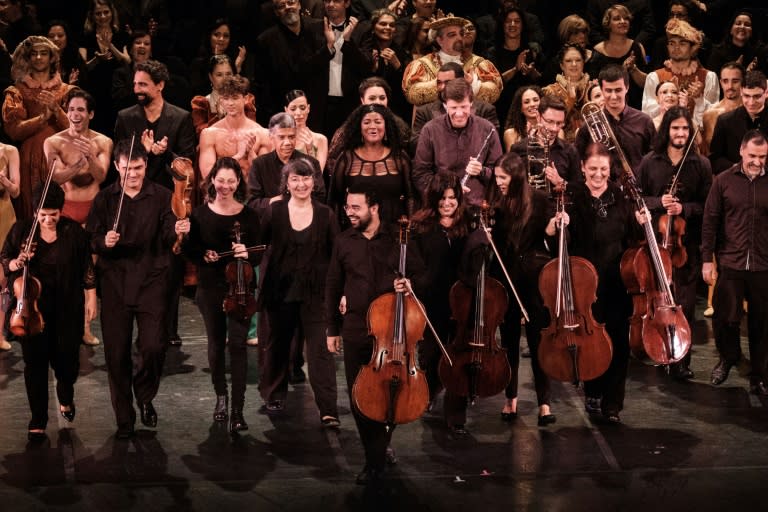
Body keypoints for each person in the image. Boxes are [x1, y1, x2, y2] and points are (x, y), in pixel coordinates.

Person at [325, 182, 426, 485]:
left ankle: (378, 451)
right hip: (356, 327)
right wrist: (332, 329)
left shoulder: (399, 239)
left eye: (356, 208)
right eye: (347, 207)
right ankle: (375, 459)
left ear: (374, 208)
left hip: (392, 332)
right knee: (360, 397)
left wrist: (408, 283)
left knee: (390, 394)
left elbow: (421, 274)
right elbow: (332, 284)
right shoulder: (344, 241)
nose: (350, 213)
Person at [86, 140, 177, 439]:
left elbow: (167, 237)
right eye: (126, 169)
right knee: (116, 354)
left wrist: (177, 231)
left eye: (138, 168)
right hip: (115, 282)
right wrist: (104, 243)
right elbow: (93, 238)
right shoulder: (104, 199)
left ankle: (145, 395)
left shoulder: (162, 196)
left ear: (145, 167)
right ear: (116, 166)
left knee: (153, 346)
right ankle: (124, 419)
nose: (132, 174)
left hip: (152, 280)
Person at [1, 182, 96, 441]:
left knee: (67, 363)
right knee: (35, 365)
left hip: (67, 307)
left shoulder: (73, 232)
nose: (47, 219)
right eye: (42, 215)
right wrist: (17, 262)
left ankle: (66, 395)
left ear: (60, 210)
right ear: (35, 212)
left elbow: (87, 265)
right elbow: (6, 260)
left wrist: (91, 297)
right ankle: (38, 419)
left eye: (52, 214)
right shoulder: (22, 232)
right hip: (33, 310)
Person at [114, 59, 195, 348]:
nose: (137, 89)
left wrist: (165, 152)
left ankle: (169, 329)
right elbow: (120, 156)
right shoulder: (126, 117)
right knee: (137, 265)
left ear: (159, 86)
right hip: (135, 202)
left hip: (169, 203)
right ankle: (139, 328)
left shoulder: (180, 117)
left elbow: (187, 162)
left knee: (169, 267)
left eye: (143, 84)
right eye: (135, 84)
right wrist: (143, 153)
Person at [559, 142, 642, 423]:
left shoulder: (621, 197)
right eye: (592, 168)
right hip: (584, 286)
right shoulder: (570, 197)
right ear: (582, 167)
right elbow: (561, 244)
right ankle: (593, 390)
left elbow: (632, 242)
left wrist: (642, 222)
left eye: (603, 169)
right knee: (590, 342)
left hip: (617, 283)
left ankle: (613, 404)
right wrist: (561, 224)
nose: (597, 174)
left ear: (610, 170)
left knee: (619, 343)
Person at [177, 157, 262, 433]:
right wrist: (202, 252)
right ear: (212, 179)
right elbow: (189, 251)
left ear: (239, 182)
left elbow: (259, 253)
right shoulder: (200, 214)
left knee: (237, 345)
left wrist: (247, 253)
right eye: (221, 180)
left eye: (231, 181)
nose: (225, 186)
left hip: (240, 289)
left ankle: (238, 408)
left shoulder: (249, 216)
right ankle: (221, 397)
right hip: (211, 287)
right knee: (215, 344)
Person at [257, 158, 339, 427]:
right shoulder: (275, 210)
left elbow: (336, 257)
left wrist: (338, 293)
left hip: (315, 294)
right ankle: (274, 395)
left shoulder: (326, 214)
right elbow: (260, 244)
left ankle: (328, 409)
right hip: (279, 291)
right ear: (287, 183)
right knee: (277, 345)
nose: (301, 184)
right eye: (295, 179)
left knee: (320, 352)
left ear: (314, 181)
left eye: (306, 178)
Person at [636, 106, 712, 380]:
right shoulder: (649, 162)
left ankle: (680, 359)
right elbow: (639, 198)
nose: (680, 133)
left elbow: (708, 206)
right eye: (675, 128)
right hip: (656, 248)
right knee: (657, 302)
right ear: (666, 130)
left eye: (685, 129)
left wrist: (685, 209)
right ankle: (659, 351)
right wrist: (659, 202)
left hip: (684, 248)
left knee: (685, 305)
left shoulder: (700, 165)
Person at [483, 152, 554, 425]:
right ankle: (510, 399)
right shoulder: (497, 203)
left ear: (516, 176)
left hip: (534, 278)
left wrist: (552, 229)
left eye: (503, 177)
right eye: (497, 177)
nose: (498, 181)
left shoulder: (538, 200)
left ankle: (544, 403)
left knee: (538, 342)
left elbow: (550, 235)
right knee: (509, 340)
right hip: (505, 277)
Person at [43, 88, 112, 346]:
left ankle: (85, 328)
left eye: (81, 109)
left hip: (93, 210)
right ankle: (60, 325)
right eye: (71, 109)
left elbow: (102, 176)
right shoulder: (54, 143)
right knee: (63, 271)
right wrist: (75, 164)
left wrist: (90, 157)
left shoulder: (103, 142)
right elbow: (56, 177)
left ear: (91, 113)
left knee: (88, 272)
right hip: (67, 209)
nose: (75, 114)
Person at [703, 130, 768, 395]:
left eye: (763, 157)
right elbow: (710, 222)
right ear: (741, 150)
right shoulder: (723, 181)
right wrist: (707, 260)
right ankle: (728, 358)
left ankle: (760, 374)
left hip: (764, 264)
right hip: (731, 260)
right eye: (752, 155)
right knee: (725, 318)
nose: (757, 161)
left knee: (762, 323)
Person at [410, 173, 471, 435]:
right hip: (431, 300)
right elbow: (414, 264)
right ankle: (431, 390)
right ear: (433, 199)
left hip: (460, 301)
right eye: (443, 198)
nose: (448, 203)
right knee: (431, 354)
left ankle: (456, 414)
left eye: (453, 198)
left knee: (459, 356)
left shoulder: (468, 225)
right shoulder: (420, 226)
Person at [2, 35, 73, 219]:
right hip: (29, 158)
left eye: (44, 53)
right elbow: (13, 130)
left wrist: (57, 110)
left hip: (60, 157)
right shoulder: (17, 91)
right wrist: (42, 118)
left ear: (52, 58)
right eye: (34, 54)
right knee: (30, 210)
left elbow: (78, 130)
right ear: (28, 58)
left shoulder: (67, 91)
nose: (39, 58)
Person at [413, 78, 502, 206]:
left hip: (478, 206)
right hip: (443, 206)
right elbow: (420, 174)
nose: (459, 113)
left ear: (471, 103)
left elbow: (500, 173)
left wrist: (482, 171)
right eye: (454, 107)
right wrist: (447, 192)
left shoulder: (487, 129)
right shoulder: (430, 130)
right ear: (445, 106)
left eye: (464, 107)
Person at [329, 103, 412, 226]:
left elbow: (411, 196)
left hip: (393, 230)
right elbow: (335, 199)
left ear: (386, 125)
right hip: (355, 232)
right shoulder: (346, 158)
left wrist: (410, 225)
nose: (373, 126)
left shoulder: (400, 157)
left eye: (378, 122)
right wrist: (336, 233)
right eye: (367, 122)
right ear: (359, 127)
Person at [576, 64, 655, 182]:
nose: (613, 96)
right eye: (608, 90)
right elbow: (578, 160)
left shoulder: (644, 121)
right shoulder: (590, 125)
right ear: (602, 90)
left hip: (638, 190)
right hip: (602, 191)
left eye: (618, 90)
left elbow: (655, 160)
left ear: (627, 88)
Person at [402, 16, 502, 107]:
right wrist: (444, 83)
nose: (459, 38)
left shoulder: (479, 63)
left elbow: (494, 92)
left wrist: (473, 85)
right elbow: (412, 93)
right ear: (439, 40)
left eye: (461, 34)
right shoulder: (423, 64)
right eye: (452, 35)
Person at [641, 18, 718, 131]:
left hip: (697, 140)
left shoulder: (709, 77)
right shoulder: (654, 77)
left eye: (682, 43)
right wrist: (669, 100)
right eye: (672, 43)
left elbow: (711, 118)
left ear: (692, 48)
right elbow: (647, 115)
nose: (676, 48)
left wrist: (699, 98)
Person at [247, 112, 325, 217]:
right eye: (282, 137)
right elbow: (252, 204)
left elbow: (320, 198)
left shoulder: (311, 163)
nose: (287, 142)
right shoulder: (259, 164)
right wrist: (280, 200)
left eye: (291, 137)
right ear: (271, 137)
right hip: (271, 225)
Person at [198, 75, 271, 180]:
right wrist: (239, 155)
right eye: (226, 98)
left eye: (235, 98)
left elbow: (265, 177)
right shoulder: (210, 134)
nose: (230, 103)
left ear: (245, 99)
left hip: (252, 194)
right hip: (221, 194)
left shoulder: (262, 134)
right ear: (221, 100)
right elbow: (208, 176)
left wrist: (250, 152)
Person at [411, 61, 499, 147]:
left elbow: (491, 141)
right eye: (439, 83)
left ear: (462, 82)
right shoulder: (424, 112)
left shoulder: (485, 110)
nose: (442, 87)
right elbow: (415, 144)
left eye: (447, 82)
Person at [78, 0, 131, 136]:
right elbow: (83, 67)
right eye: (98, 14)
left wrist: (110, 46)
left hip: (116, 92)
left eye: (106, 12)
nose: (102, 17)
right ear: (92, 16)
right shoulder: (86, 36)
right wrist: (97, 59)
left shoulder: (119, 34)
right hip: (94, 91)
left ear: (112, 13)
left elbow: (127, 60)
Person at [508, 94, 581, 191]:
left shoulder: (570, 151)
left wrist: (561, 182)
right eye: (549, 121)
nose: (554, 128)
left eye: (559, 123)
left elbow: (581, 192)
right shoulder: (518, 149)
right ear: (538, 116)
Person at [486, 6, 542, 128]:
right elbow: (494, 83)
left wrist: (532, 72)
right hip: (503, 108)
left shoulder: (532, 50)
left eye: (517, 21)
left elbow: (543, 81)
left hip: (530, 107)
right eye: (508, 21)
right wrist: (515, 69)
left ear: (522, 25)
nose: (513, 24)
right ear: (502, 25)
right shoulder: (493, 52)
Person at [588, 4, 648, 110]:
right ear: (608, 24)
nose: (622, 21)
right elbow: (595, 87)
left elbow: (646, 84)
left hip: (635, 107)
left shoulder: (637, 47)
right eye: (617, 19)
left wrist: (633, 69)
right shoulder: (598, 50)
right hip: (607, 107)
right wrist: (623, 71)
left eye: (626, 18)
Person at [709, 70, 768, 175]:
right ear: (741, 91)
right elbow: (715, 159)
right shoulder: (725, 121)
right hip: (735, 183)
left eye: (756, 96)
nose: (751, 102)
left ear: (766, 92)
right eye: (747, 96)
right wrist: (736, 168)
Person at [190, 54, 257, 137]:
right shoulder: (201, 103)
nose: (225, 79)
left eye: (228, 74)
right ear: (211, 77)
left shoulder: (246, 101)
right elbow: (201, 133)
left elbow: (251, 131)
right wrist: (219, 117)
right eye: (219, 75)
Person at [362, 8, 411, 121]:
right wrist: (372, 70)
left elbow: (408, 87)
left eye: (392, 25)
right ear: (373, 28)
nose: (388, 28)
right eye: (383, 24)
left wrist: (398, 65)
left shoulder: (402, 53)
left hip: (396, 110)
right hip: (369, 108)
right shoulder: (365, 50)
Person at [542, 44, 593, 143]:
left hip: (592, 145)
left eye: (578, 60)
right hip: (562, 147)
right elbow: (549, 123)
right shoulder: (550, 91)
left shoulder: (593, 88)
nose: (574, 64)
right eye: (568, 61)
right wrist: (570, 101)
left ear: (583, 63)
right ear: (561, 65)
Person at [0, 143, 20, 352]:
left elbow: (16, 192)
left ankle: (0, 333)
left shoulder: (10, 151)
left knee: (4, 280)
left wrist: (4, 181)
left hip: (4, 217)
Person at [701, 62, 743, 157]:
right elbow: (709, 152)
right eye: (725, 81)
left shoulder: (752, 110)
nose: (730, 86)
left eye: (735, 81)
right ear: (720, 83)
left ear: (743, 82)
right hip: (721, 169)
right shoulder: (710, 114)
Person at [284, 89, 328, 171]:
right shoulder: (280, 138)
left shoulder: (320, 140)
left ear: (308, 108)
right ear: (286, 110)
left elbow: (317, 176)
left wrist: (310, 150)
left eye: (302, 108)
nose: (298, 113)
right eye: (293, 109)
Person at [46, 19, 86, 87]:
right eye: (51, 36)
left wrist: (71, 86)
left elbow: (84, 82)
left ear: (67, 37)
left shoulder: (75, 56)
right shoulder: (41, 58)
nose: (56, 39)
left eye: (60, 35)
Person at [502, 84, 542, 150]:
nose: (532, 104)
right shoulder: (511, 134)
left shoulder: (556, 131)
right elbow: (510, 159)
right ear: (520, 108)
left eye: (536, 100)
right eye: (526, 102)